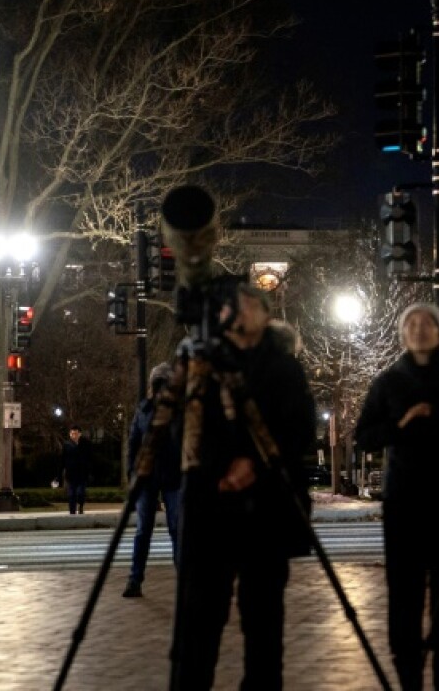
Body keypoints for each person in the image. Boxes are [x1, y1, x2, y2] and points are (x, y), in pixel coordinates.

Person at [171, 284, 316, 690]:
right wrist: (218, 467)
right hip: (210, 507)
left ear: (266, 315)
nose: (241, 312)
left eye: (252, 305)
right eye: (235, 305)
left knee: (264, 622)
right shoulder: (204, 361)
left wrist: (255, 465)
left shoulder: (284, 367)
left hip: (267, 509)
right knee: (200, 621)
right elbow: (183, 429)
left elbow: (298, 428)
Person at [355, 302, 439, 691]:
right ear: (402, 332)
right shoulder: (387, 383)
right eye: (411, 323)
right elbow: (364, 436)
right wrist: (402, 423)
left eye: (428, 322)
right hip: (404, 501)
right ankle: (409, 677)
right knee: (405, 594)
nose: (420, 328)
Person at [123, 361, 183, 598]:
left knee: (176, 530)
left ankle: (183, 579)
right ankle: (135, 579)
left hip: (172, 475)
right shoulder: (144, 410)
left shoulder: (179, 410)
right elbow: (132, 443)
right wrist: (132, 474)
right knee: (143, 530)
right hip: (147, 477)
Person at [61, 425, 92, 514]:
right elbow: (63, 460)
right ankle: (72, 511)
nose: (73, 435)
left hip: (82, 473)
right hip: (71, 474)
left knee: (80, 493)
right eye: (72, 434)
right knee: (71, 494)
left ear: (79, 434)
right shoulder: (67, 445)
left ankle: (81, 505)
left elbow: (89, 458)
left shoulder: (85, 444)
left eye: (75, 433)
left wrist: (89, 471)